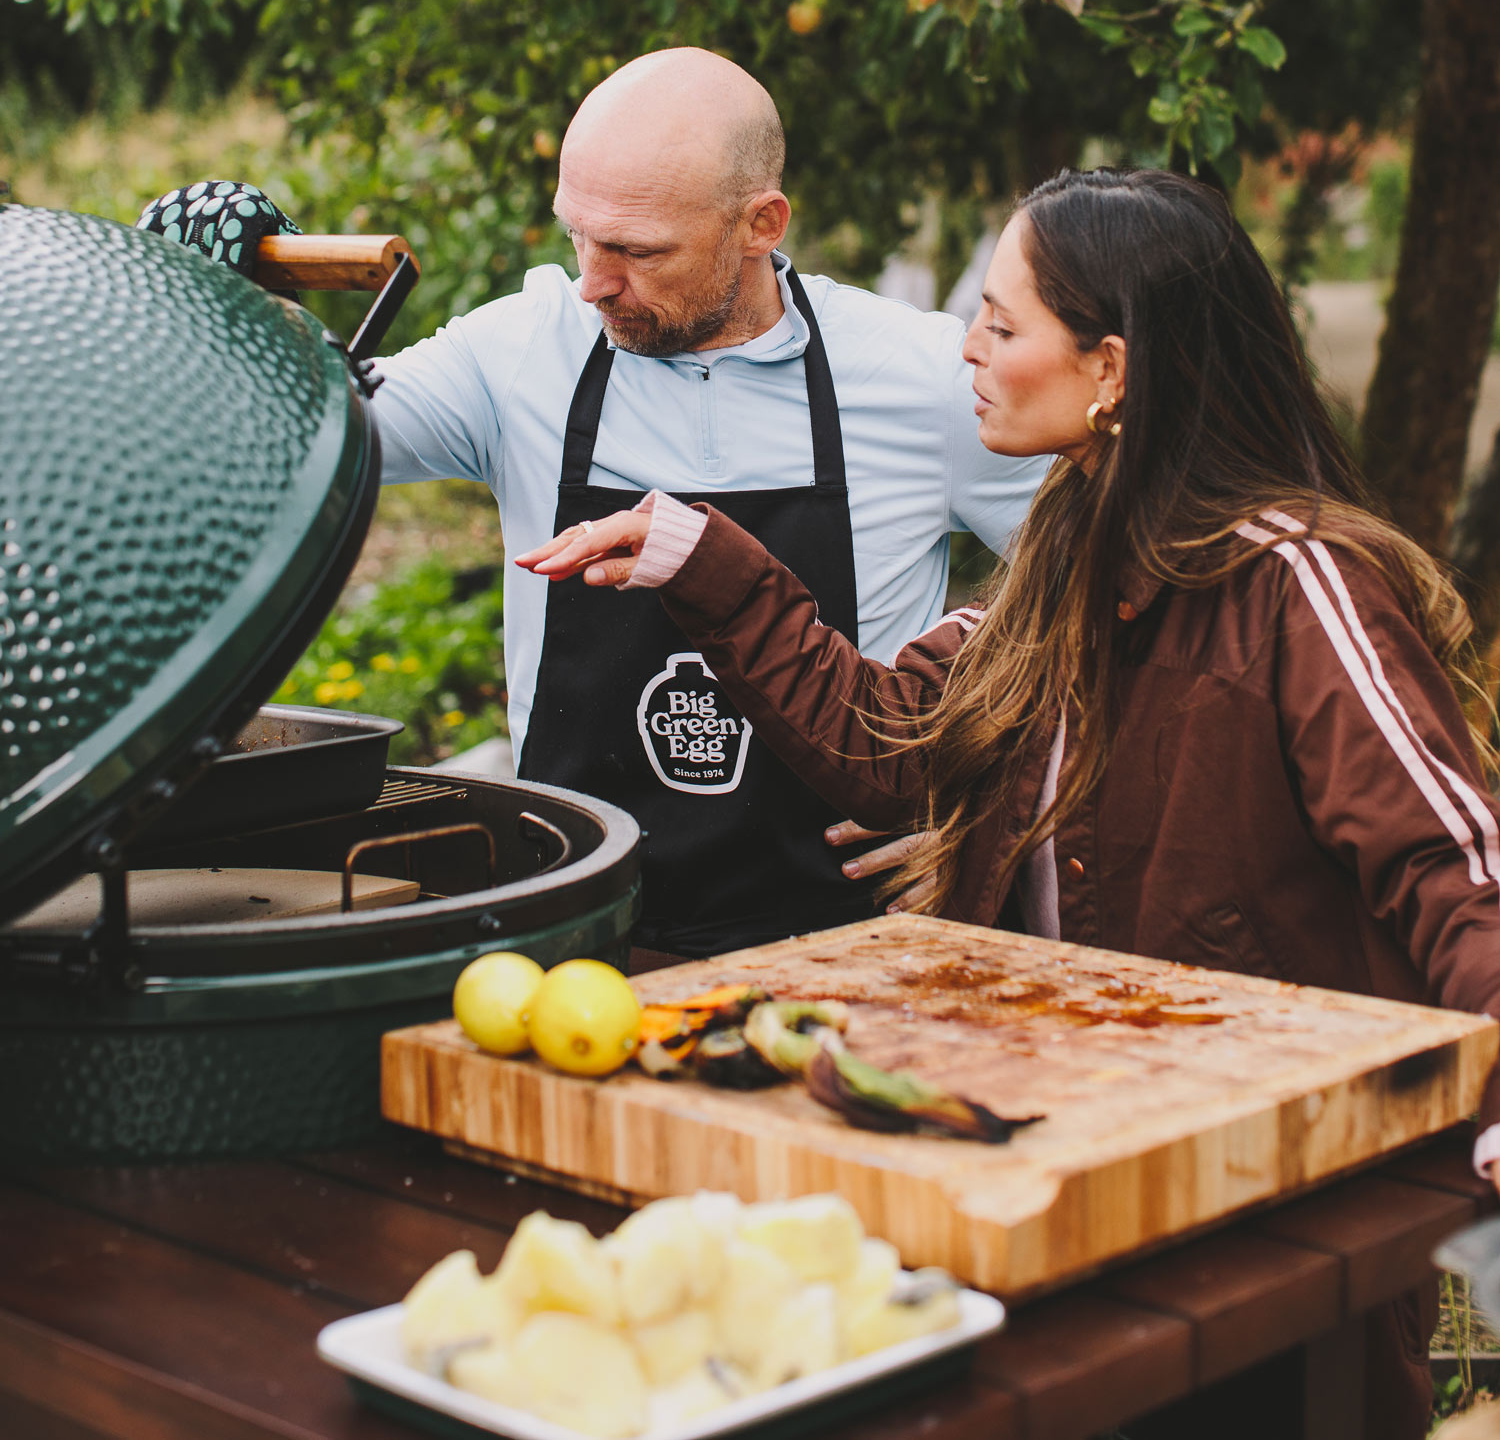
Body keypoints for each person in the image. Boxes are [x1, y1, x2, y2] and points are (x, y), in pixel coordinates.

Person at [521, 165, 1500, 1439]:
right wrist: (706, 562)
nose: (968, 354)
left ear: (1112, 369)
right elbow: (887, 742)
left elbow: (1455, 858)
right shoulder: (1067, 558)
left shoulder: (1298, 582)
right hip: (1091, 1167)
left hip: (1280, 1200)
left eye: (1001, 323)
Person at [138, 48, 1044, 957]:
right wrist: (213, 312)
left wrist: (991, 802)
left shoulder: (921, 379)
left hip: (852, 947)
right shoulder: (518, 353)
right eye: (579, 235)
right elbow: (295, 437)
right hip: (575, 934)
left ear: (761, 223)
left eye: (637, 251)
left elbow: (1111, 599)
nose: (592, 282)